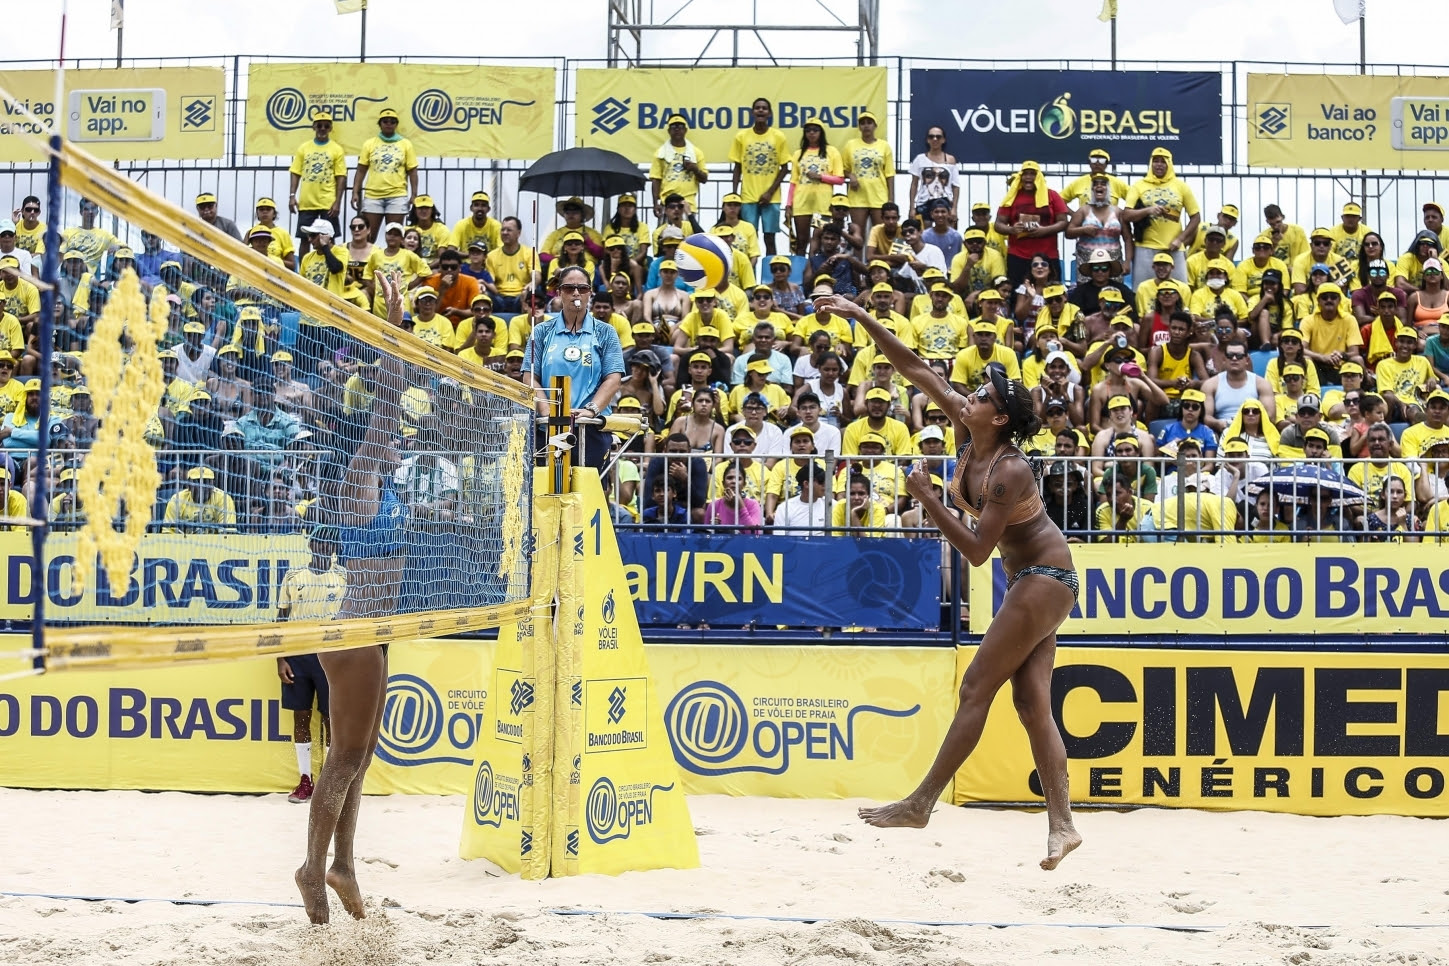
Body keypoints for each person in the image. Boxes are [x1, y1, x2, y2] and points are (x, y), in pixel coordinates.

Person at [820, 294, 1080, 870]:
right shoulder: (973, 427)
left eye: (984, 395)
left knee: (975, 690)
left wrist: (928, 500)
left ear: (1001, 417)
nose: (971, 396)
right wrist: (859, 316)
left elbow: (978, 551)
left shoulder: (1008, 469)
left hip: (1044, 577)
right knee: (1033, 705)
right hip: (1035, 579)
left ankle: (920, 803)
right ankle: (1062, 825)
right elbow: (914, 367)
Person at [295, 276, 409, 925]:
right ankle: (313, 869)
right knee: (342, 762)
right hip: (353, 631)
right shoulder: (359, 474)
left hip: (371, 629)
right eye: (383, 436)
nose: (393, 439)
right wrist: (391, 325)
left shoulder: (380, 483)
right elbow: (388, 405)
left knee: (358, 759)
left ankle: (343, 865)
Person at [524, 265, 625, 471]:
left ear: (590, 293)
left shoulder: (606, 332)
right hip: (547, 427)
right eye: (569, 288)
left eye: (583, 288)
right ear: (559, 292)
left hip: (590, 429)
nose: (576, 293)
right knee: (548, 494)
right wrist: (546, 410)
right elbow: (530, 376)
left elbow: (613, 378)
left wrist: (591, 410)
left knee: (589, 495)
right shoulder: (541, 331)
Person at [276, 524, 345, 805]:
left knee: (332, 720)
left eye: (328, 545)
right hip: (298, 654)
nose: (322, 549)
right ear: (310, 546)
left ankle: (329, 780)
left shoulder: (342, 577)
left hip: (330, 655)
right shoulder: (294, 577)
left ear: (332, 550)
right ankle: (306, 780)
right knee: (300, 718)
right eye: (317, 543)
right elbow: (280, 618)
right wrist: (280, 658)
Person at [1124, 147, 1199, 283]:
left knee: (1179, 291)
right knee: (1143, 291)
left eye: (1163, 161)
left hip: (1173, 249)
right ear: (1150, 163)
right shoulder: (1138, 186)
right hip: (1145, 249)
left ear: (1169, 164)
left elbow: (1196, 217)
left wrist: (1180, 239)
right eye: (1155, 161)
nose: (1159, 164)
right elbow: (1126, 215)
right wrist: (1147, 210)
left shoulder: (1181, 186)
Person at [730, 98, 791, 257]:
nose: (761, 111)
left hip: (772, 198)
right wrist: (734, 193)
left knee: (770, 239)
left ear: (769, 113)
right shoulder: (742, 136)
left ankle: (771, 278)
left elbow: (784, 168)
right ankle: (749, 278)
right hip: (748, 197)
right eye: (757, 108)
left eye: (764, 108)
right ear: (752, 112)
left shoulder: (778, 136)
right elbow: (737, 167)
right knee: (748, 240)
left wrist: (770, 192)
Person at [352, 108, 418, 242]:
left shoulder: (406, 144)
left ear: (396, 124)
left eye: (392, 121)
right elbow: (361, 170)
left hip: (397, 195)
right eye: (385, 121)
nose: (389, 124)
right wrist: (355, 192)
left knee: (395, 237)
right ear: (380, 124)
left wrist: (414, 194)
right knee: (368, 237)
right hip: (373, 196)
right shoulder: (369, 143)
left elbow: (412, 171)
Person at [289, 108, 348, 240]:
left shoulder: (337, 149)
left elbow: (341, 177)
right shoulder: (304, 148)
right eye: (319, 125)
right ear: (313, 127)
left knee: (329, 238)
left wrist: (337, 202)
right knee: (305, 239)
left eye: (326, 126)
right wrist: (292, 195)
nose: (322, 128)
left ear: (330, 128)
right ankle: (304, 261)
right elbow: (295, 172)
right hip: (306, 202)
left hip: (328, 203)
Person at [788, 121, 844, 255]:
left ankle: (819, 271)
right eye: (808, 130)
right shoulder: (798, 153)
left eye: (815, 130)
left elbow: (840, 179)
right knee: (802, 240)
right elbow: (793, 181)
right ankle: (801, 272)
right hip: (802, 201)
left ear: (821, 132)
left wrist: (820, 177)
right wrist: (789, 204)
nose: (811, 133)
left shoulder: (832, 151)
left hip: (823, 203)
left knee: (821, 240)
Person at [650, 114, 708, 214]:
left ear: (685, 130)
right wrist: (655, 203)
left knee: (688, 230)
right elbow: (656, 179)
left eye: (680, 127)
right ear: (669, 131)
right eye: (673, 127)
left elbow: (704, 179)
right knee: (666, 230)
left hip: (688, 204)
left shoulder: (696, 152)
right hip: (667, 204)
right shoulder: (660, 153)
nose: (677, 129)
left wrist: (695, 169)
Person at [907, 125, 959, 220]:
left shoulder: (951, 159)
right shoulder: (919, 159)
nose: (935, 139)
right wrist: (911, 208)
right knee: (924, 233)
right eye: (931, 136)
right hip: (924, 203)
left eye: (938, 137)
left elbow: (955, 186)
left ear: (943, 140)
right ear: (927, 140)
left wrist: (954, 208)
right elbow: (914, 184)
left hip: (946, 202)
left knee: (947, 232)